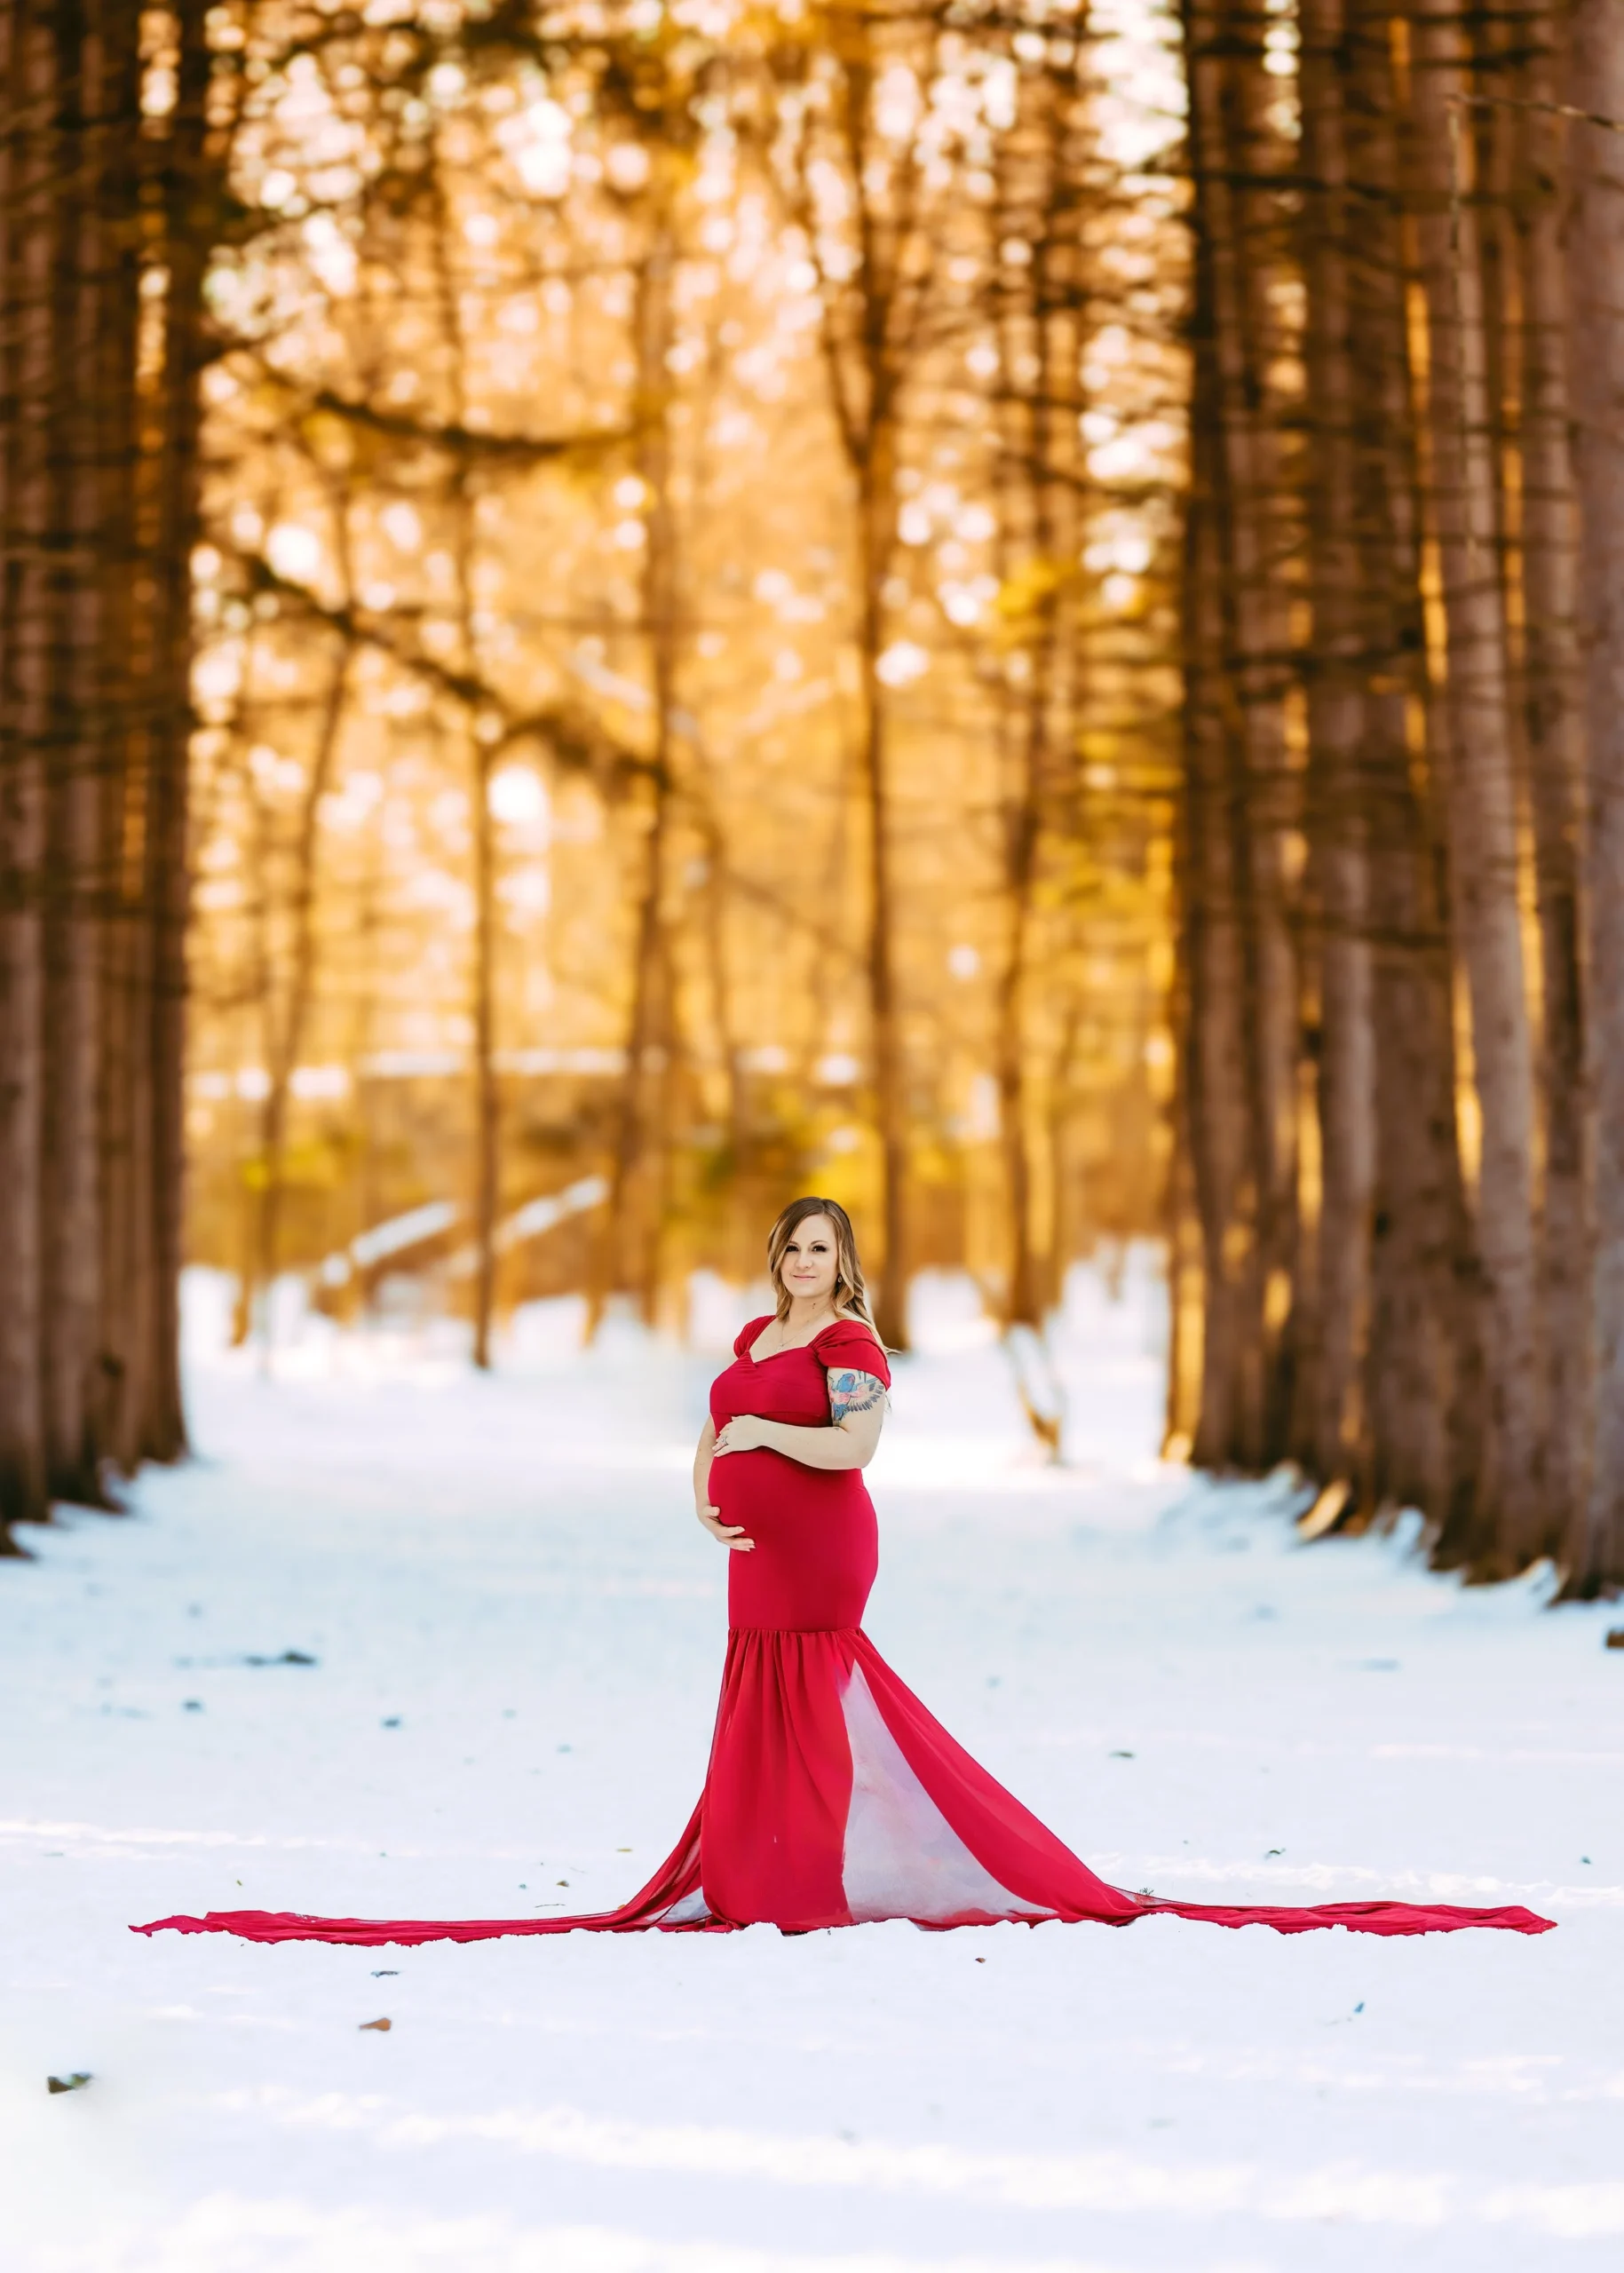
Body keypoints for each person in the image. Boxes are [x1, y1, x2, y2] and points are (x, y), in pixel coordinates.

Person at [134, 1200, 1552, 1946]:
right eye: (793, 1248)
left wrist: (760, 1440)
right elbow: (712, 1429)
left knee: (816, 1688)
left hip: (823, 1547)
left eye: (824, 1249)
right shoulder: (755, 1338)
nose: (807, 1264)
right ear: (777, 1258)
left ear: (844, 1261)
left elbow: (855, 1448)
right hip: (751, 1553)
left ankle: (807, 1873)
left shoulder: (850, 1348)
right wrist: (705, 1493)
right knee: (757, 1688)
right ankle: (760, 1863)